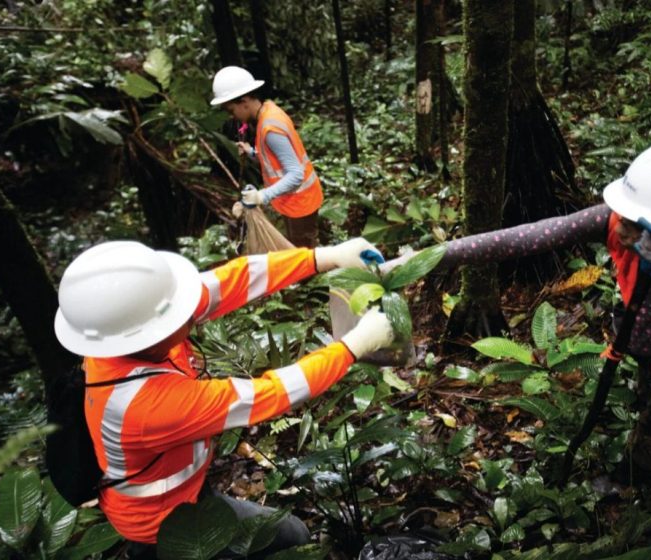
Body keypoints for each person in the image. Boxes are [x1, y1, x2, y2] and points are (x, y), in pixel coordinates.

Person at [387, 139, 651, 476]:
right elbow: (529, 237)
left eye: (630, 223)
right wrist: (424, 259)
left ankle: (644, 480)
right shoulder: (625, 223)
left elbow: (648, 341)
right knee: (648, 393)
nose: (619, 229)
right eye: (621, 217)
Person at [53, 238, 395, 554]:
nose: (190, 312)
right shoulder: (148, 406)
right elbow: (271, 393)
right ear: (145, 334)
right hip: (160, 525)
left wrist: (321, 257)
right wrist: (353, 346)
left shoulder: (125, 332)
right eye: (177, 314)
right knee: (293, 539)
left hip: (188, 492)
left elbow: (234, 280)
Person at [210, 65, 323, 248]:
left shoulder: (271, 128)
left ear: (244, 101)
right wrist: (252, 152)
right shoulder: (267, 112)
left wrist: (261, 196)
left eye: (232, 111)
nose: (234, 117)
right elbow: (275, 159)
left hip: (300, 203)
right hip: (293, 201)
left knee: (306, 260)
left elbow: (295, 174)